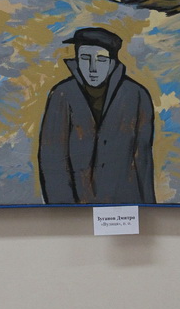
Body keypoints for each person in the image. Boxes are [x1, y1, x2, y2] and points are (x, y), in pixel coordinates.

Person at [38, 27, 156, 205]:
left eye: (101, 59)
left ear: (112, 62)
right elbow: (52, 158)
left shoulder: (137, 95)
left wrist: (147, 207)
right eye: (85, 58)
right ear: (77, 60)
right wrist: (63, 209)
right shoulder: (62, 94)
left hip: (125, 204)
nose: (92, 68)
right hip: (77, 204)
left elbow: (143, 160)